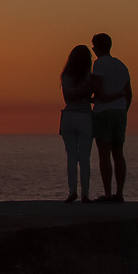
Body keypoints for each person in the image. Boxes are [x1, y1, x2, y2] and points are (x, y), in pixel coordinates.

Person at [89, 32, 132, 202]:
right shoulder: (121, 65)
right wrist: (123, 109)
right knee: (119, 153)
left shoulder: (99, 64)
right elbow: (129, 93)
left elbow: (98, 88)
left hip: (103, 112)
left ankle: (108, 194)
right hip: (120, 112)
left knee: (104, 154)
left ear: (96, 47)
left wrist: (98, 97)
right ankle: (119, 193)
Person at [58, 44, 95, 202]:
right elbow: (89, 95)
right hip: (85, 116)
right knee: (85, 159)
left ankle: (72, 191)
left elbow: (68, 97)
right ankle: (85, 194)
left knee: (71, 158)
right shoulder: (89, 76)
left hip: (68, 116)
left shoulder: (65, 75)